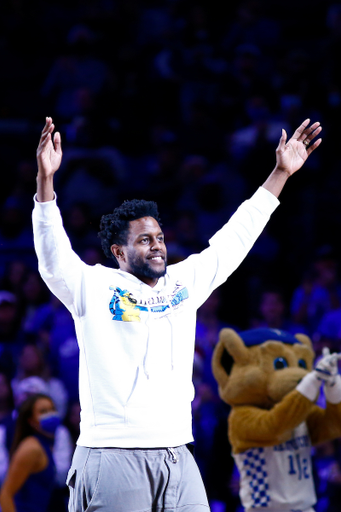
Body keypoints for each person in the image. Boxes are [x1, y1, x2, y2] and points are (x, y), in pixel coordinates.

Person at [33, 116, 321, 512]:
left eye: (160, 238)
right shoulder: (93, 286)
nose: (157, 246)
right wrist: (45, 184)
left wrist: (280, 174)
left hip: (177, 455)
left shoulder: (183, 284)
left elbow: (234, 238)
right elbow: (52, 259)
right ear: (119, 252)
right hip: (114, 454)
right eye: (144, 240)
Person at [0, 393, 60, 512]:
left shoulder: (45, 444)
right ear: (31, 421)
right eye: (43, 411)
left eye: (52, 409)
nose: (50, 415)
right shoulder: (31, 448)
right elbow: (6, 494)